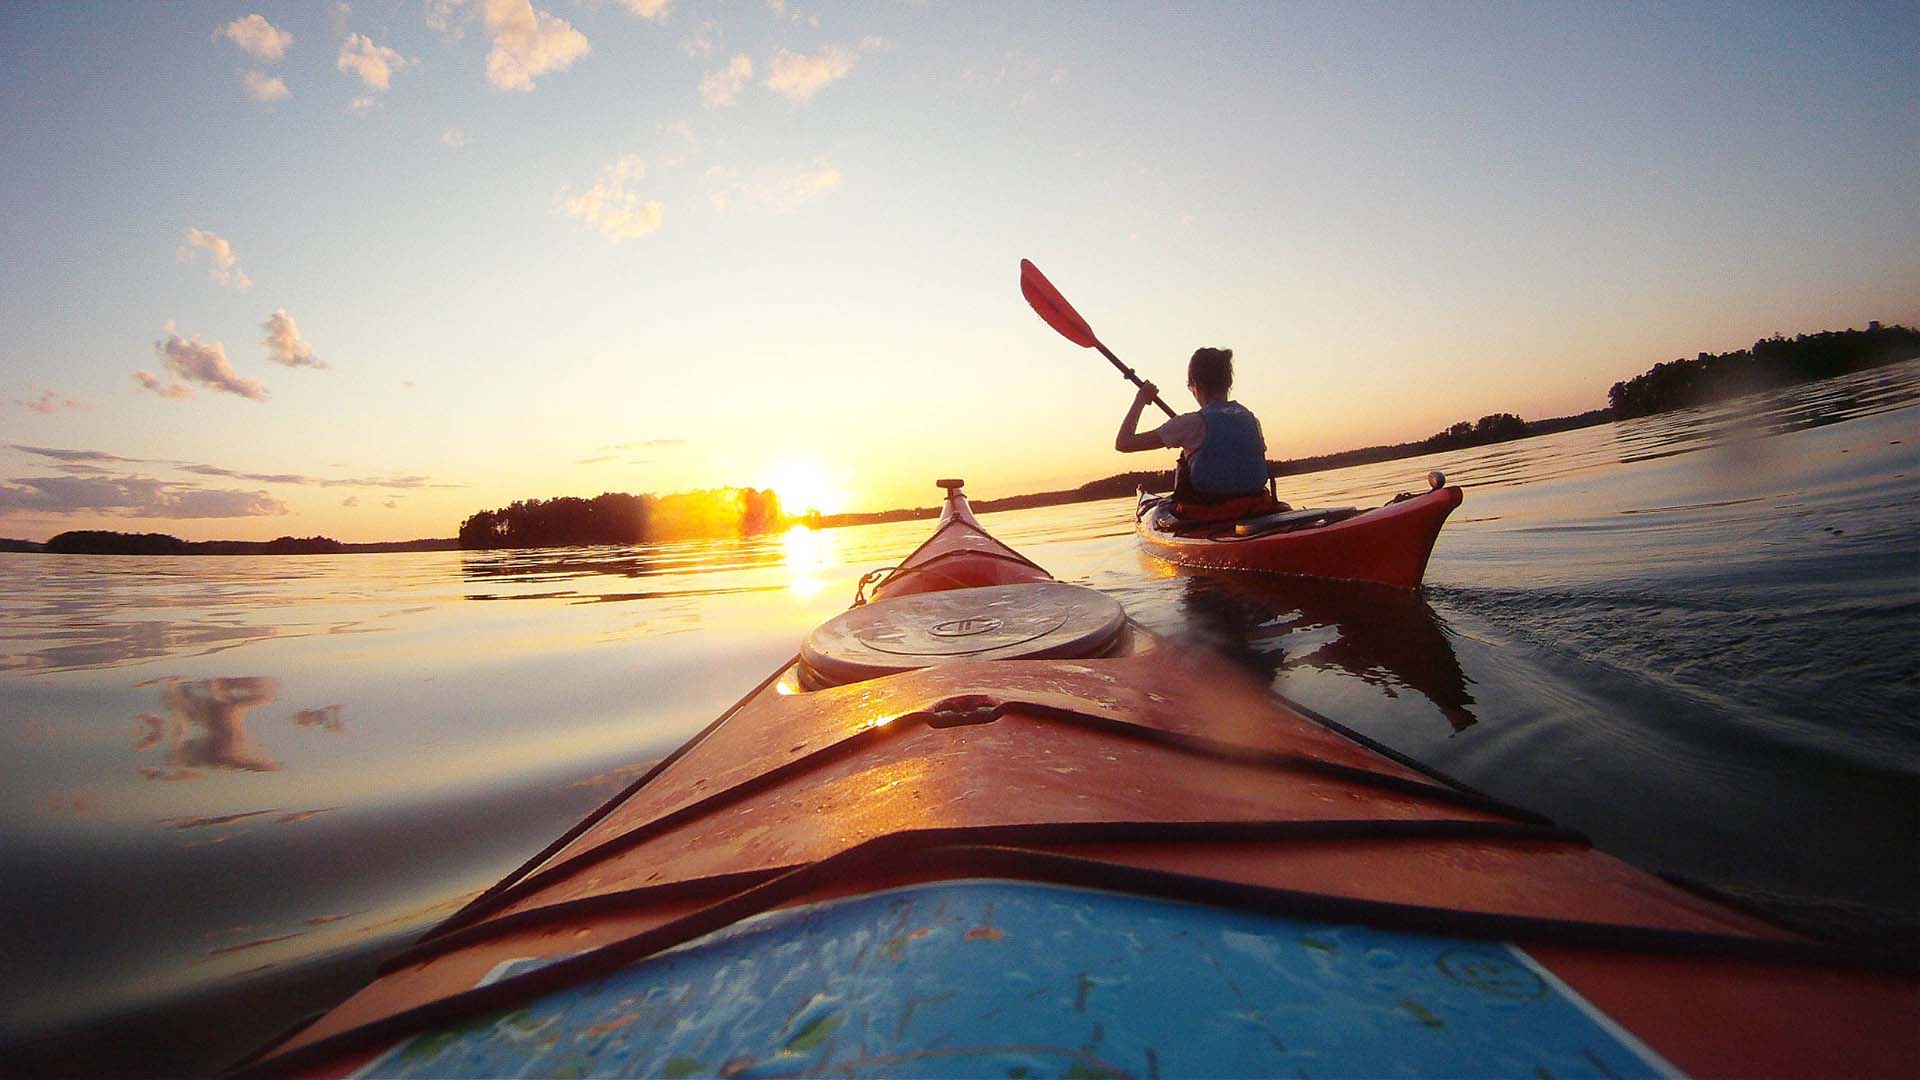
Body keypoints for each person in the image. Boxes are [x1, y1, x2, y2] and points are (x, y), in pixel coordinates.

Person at [1115, 346, 1279, 521]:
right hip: (1257, 507)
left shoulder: (1189, 423)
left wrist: (1140, 399)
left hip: (1208, 514)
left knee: (1163, 508)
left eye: (1189, 384)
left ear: (1194, 384)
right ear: (1228, 382)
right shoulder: (1251, 419)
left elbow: (1123, 443)